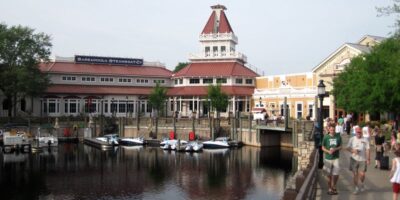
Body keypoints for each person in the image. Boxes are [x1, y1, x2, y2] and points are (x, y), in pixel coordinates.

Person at [347, 126, 371, 194]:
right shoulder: (352, 139)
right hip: (353, 159)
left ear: (362, 133)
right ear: (355, 132)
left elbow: (368, 149)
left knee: (362, 174)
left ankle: (362, 183)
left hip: (363, 159)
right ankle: (356, 188)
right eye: (357, 132)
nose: (359, 133)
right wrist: (353, 150)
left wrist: (368, 159)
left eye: (360, 132)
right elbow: (347, 148)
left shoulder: (365, 140)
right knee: (355, 174)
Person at [322, 124, 342, 195]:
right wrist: (328, 151)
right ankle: (330, 188)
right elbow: (323, 147)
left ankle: (333, 185)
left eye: (333, 130)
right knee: (328, 175)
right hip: (328, 158)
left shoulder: (338, 136)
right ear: (329, 130)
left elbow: (340, 146)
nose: (332, 131)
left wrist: (335, 149)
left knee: (336, 174)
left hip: (336, 157)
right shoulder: (326, 137)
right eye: (331, 130)